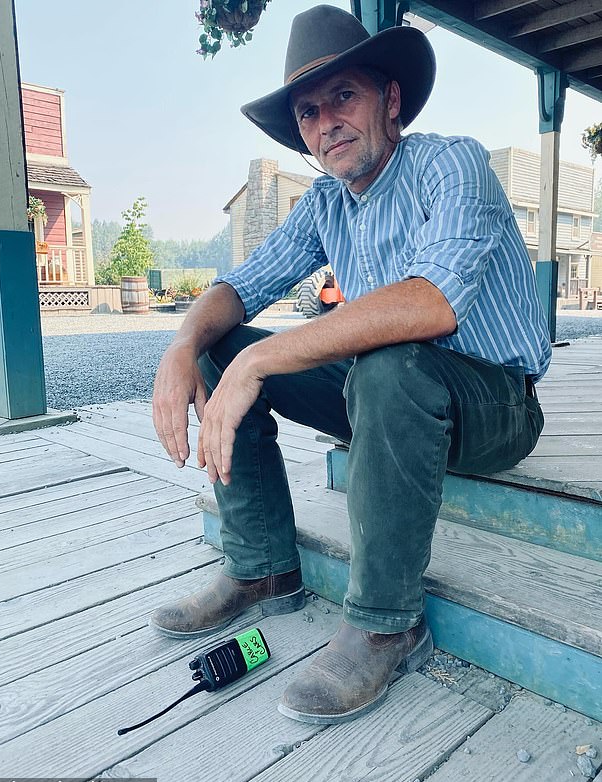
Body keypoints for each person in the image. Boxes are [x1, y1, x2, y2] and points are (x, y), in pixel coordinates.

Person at [150, 4, 551, 725]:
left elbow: (431, 303)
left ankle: (385, 624)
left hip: (493, 403)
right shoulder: (326, 202)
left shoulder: (451, 163)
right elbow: (239, 286)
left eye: (344, 96)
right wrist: (183, 346)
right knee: (220, 347)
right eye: (308, 112)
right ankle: (262, 568)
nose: (326, 122)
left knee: (388, 362)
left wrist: (263, 359)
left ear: (390, 100)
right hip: (384, 397)